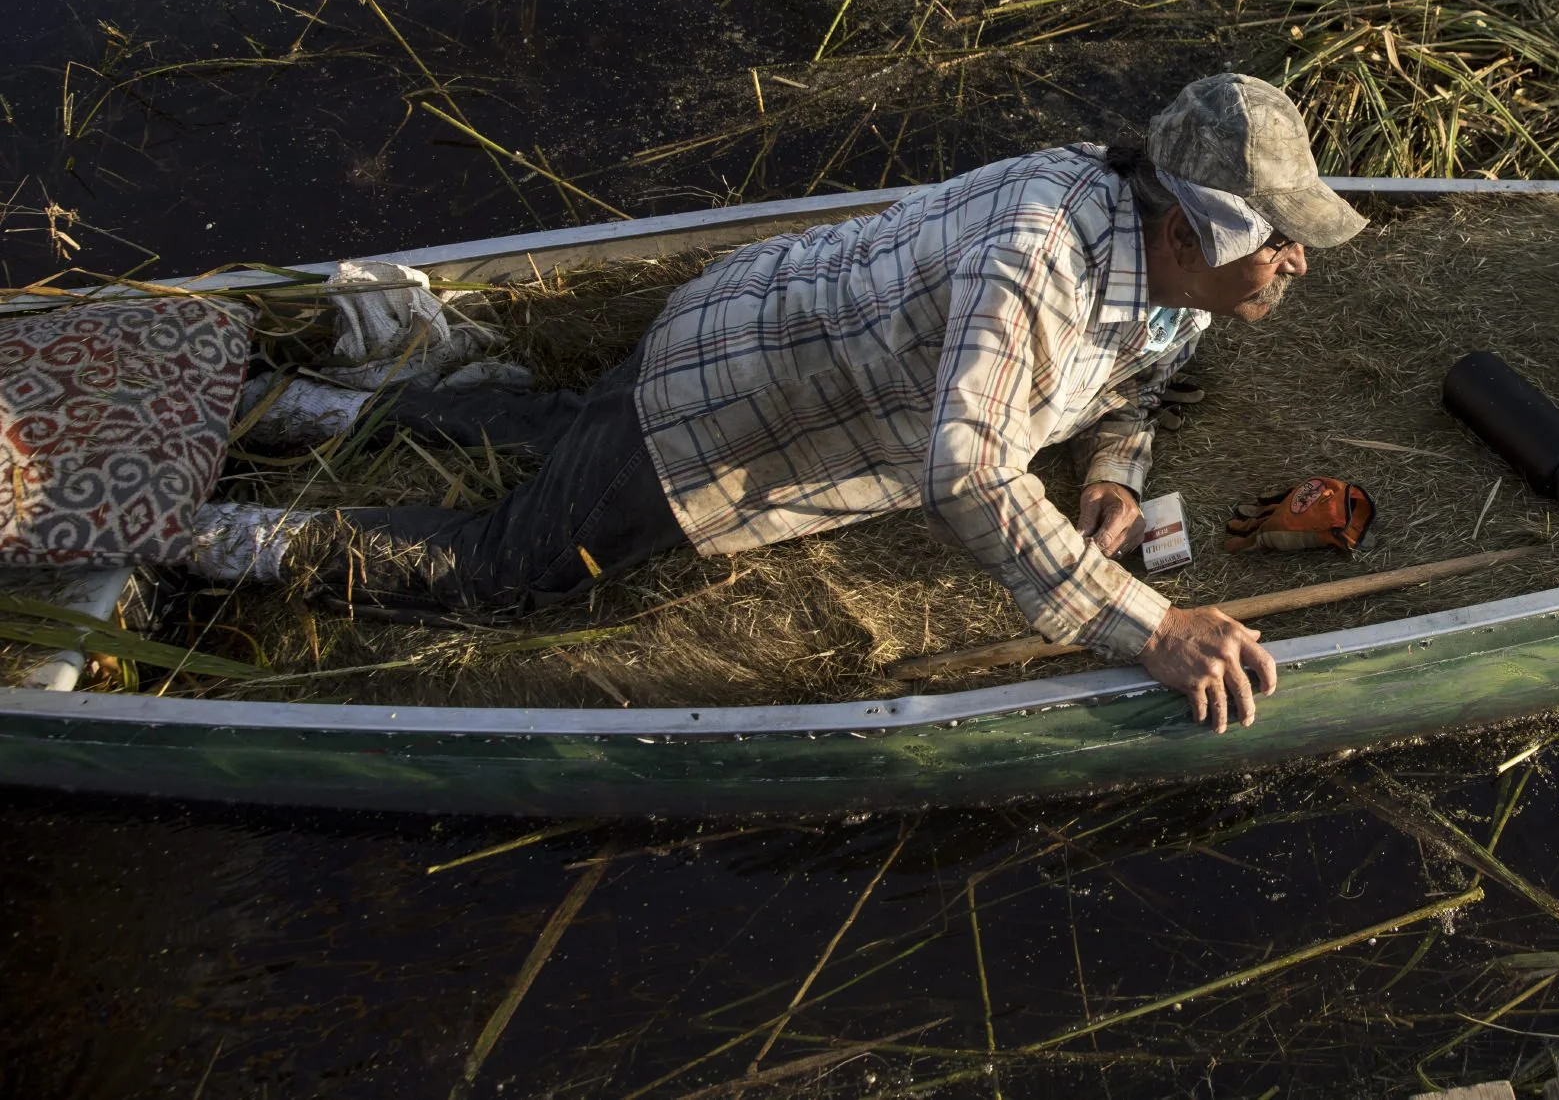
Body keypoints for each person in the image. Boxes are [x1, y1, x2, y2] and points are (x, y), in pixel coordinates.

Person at [315, 73, 1367, 733]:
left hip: (742, 320)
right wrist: (1151, 625)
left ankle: (332, 410)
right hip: (716, 410)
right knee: (502, 570)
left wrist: (1110, 470)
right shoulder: (1042, 262)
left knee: (563, 428)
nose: (1297, 264)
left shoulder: (1161, 252)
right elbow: (970, 472)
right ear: (1188, 233)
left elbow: (1143, 369)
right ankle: (243, 539)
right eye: (1280, 243)